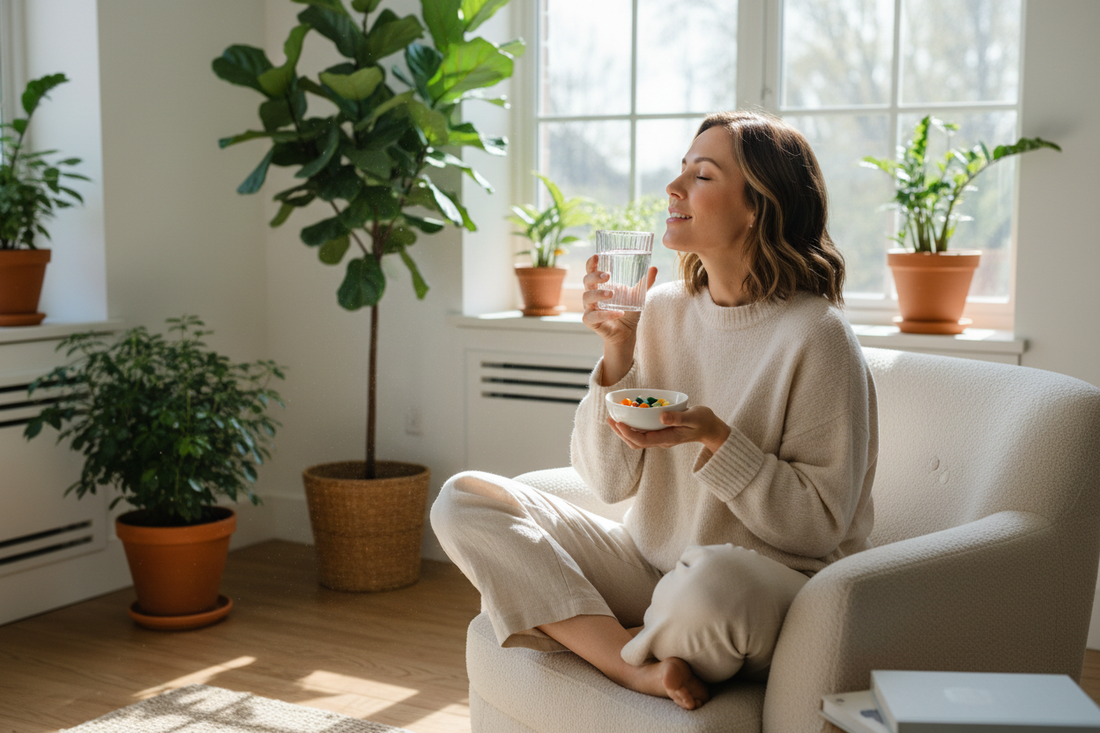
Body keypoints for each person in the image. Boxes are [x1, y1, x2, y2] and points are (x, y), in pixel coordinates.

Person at [431, 110, 877, 711]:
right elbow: (608, 481)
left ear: (758, 206)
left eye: (702, 175)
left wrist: (719, 440)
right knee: (464, 499)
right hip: (648, 570)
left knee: (712, 586)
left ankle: (603, 629)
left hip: (759, 589)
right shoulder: (662, 310)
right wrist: (617, 354)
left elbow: (817, 526)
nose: (674, 188)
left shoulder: (816, 335)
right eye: (681, 170)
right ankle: (627, 661)